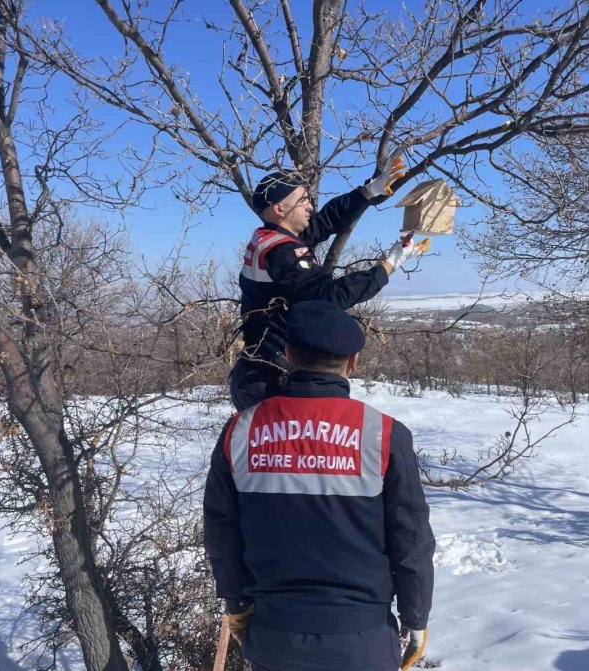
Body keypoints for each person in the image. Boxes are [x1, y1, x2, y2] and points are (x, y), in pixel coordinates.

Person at [204, 300, 435, 671]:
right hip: (363, 641)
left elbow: (221, 531)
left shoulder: (240, 431)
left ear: (289, 354)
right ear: (353, 360)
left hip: (274, 637)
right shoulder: (385, 434)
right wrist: (416, 617)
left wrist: (236, 605)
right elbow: (411, 541)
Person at [230, 156, 430, 410]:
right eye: (302, 201)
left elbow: (324, 221)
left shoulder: (272, 236)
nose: (310, 206)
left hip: (261, 375)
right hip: (270, 382)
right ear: (280, 209)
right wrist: (389, 265)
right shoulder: (281, 252)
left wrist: (369, 191)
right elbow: (331, 297)